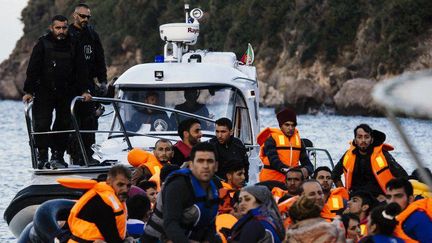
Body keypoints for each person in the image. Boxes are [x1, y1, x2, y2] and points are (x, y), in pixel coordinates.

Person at [22, 15, 79, 169]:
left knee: (63, 124)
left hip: (66, 92)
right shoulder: (43, 43)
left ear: (67, 28)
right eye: (58, 28)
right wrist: (28, 91)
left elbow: (81, 70)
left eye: (64, 28)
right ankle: (42, 156)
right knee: (41, 124)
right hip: (44, 91)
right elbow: (32, 69)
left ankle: (58, 155)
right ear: (51, 28)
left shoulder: (73, 44)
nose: (61, 31)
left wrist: (85, 90)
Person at [142, 142, 221, 243]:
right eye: (200, 161)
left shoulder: (213, 190)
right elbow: (170, 224)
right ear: (191, 165)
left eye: (210, 161)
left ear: (216, 166)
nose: (205, 166)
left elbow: (210, 227)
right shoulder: (178, 185)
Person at [68, 3, 108, 165]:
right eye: (82, 16)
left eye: (88, 17)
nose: (85, 19)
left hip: (89, 83)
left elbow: (100, 58)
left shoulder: (92, 35)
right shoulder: (68, 35)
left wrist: (103, 80)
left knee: (90, 121)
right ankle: (74, 155)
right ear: (74, 16)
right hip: (71, 84)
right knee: (72, 121)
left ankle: (87, 155)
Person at [332, 124, 408, 200]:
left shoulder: (383, 155)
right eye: (359, 137)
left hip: (378, 199)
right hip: (354, 199)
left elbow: (403, 176)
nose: (363, 140)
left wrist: (389, 196)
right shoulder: (348, 155)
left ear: (371, 140)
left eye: (366, 137)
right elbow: (335, 175)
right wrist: (344, 194)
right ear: (355, 140)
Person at [66, 164, 132, 243]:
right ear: (109, 182)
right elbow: (112, 238)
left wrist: (128, 237)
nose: (125, 189)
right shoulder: (101, 203)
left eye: (128, 186)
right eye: (120, 185)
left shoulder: (114, 199)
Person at [257, 107, 313, 184]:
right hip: (271, 181)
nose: (290, 128)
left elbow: (307, 162)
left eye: (293, 125)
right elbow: (274, 161)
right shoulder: (271, 139)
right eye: (287, 125)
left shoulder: (299, 141)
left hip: (291, 182)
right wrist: (288, 170)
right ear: (281, 126)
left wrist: (306, 169)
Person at [385, 178, 432, 242]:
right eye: (388, 197)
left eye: (398, 196)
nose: (392, 201)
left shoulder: (417, 219)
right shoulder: (385, 218)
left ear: (410, 199)